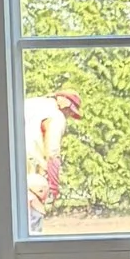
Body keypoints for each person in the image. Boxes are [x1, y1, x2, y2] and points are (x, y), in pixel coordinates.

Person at [24, 87, 83, 222]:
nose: (68, 115)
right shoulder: (57, 115)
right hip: (29, 164)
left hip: (5, 156)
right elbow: (52, 152)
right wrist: (54, 185)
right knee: (33, 214)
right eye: (69, 111)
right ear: (64, 103)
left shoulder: (31, 103)